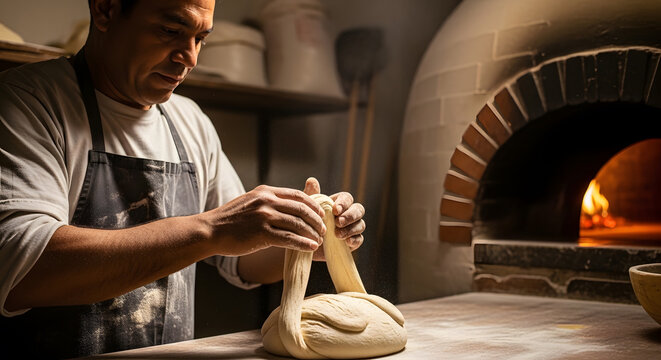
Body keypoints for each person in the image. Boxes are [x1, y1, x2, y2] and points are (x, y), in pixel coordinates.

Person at [0, 0, 366, 358]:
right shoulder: (29, 102)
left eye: (200, 38)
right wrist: (211, 230)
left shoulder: (189, 121)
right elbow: (23, 266)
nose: (189, 57)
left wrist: (303, 237)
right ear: (106, 10)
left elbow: (241, 261)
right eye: (171, 31)